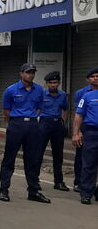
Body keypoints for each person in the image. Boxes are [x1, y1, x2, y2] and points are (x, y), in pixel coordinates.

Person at [0, 63, 50, 203]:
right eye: (28, 72)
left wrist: (31, 119)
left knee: (32, 159)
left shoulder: (39, 90)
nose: (31, 75)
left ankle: (33, 191)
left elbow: (39, 108)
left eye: (33, 72)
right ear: (21, 74)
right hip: (16, 124)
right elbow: (6, 111)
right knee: (10, 158)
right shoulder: (11, 90)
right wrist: (17, 121)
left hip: (33, 125)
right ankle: (3, 189)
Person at [39, 71, 70, 192]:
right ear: (46, 84)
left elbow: (65, 109)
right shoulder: (41, 94)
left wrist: (63, 122)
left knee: (58, 155)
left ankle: (59, 181)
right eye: (51, 83)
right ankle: (34, 180)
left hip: (57, 124)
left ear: (59, 83)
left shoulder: (62, 95)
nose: (53, 85)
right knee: (38, 153)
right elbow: (36, 107)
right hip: (44, 123)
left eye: (55, 82)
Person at [72, 67, 98, 204]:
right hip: (92, 132)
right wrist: (76, 133)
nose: (96, 78)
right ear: (89, 79)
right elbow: (78, 115)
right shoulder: (86, 96)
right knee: (89, 164)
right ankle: (86, 193)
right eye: (93, 76)